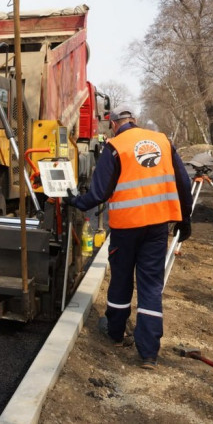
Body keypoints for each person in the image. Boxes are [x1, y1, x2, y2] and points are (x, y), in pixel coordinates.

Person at [66, 104, 192, 370]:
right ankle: (149, 354)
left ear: (114, 124)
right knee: (151, 286)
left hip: (126, 228)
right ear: (134, 120)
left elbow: (99, 193)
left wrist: (75, 201)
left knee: (122, 279)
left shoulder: (115, 146)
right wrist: (185, 218)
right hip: (157, 227)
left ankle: (115, 333)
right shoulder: (163, 141)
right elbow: (184, 182)